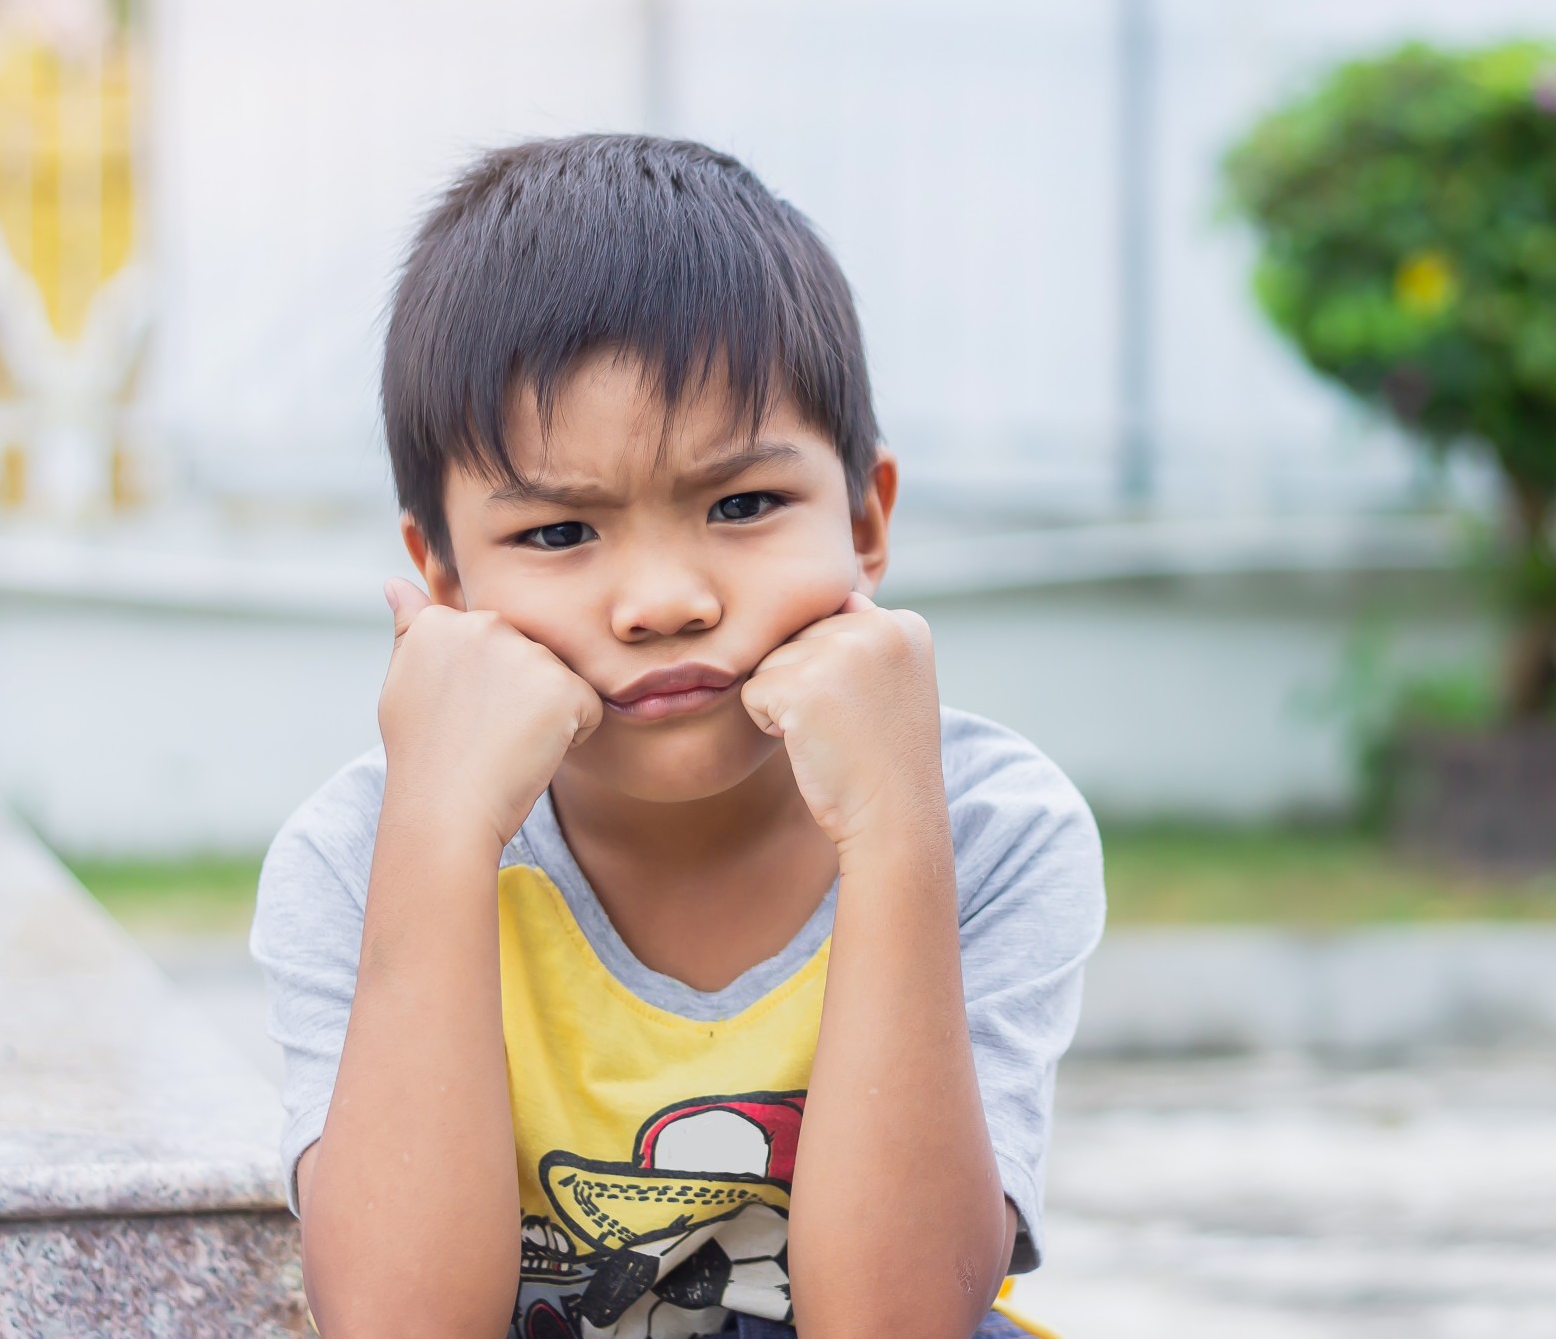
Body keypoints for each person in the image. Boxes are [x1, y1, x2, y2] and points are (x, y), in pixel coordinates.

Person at [250, 134, 1104, 1339]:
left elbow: (902, 1322)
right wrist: (441, 830)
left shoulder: (985, 827)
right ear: (438, 581)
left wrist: (891, 831)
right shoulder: (355, 854)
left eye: (743, 505)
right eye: (558, 533)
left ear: (866, 522)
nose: (663, 599)